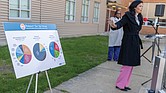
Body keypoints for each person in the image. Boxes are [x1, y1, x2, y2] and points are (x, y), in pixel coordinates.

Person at [109, 0, 144, 91]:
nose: (141, 8)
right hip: (128, 42)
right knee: (127, 64)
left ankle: (125, 84)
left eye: (142, 6)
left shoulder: (139, 17)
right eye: (140, 6)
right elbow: (119, 24)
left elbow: (137, 29)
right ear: (134, 7)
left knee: (131, 65)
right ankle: (120, 84)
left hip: (135, 41)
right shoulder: (127, 16)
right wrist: (113, 25)